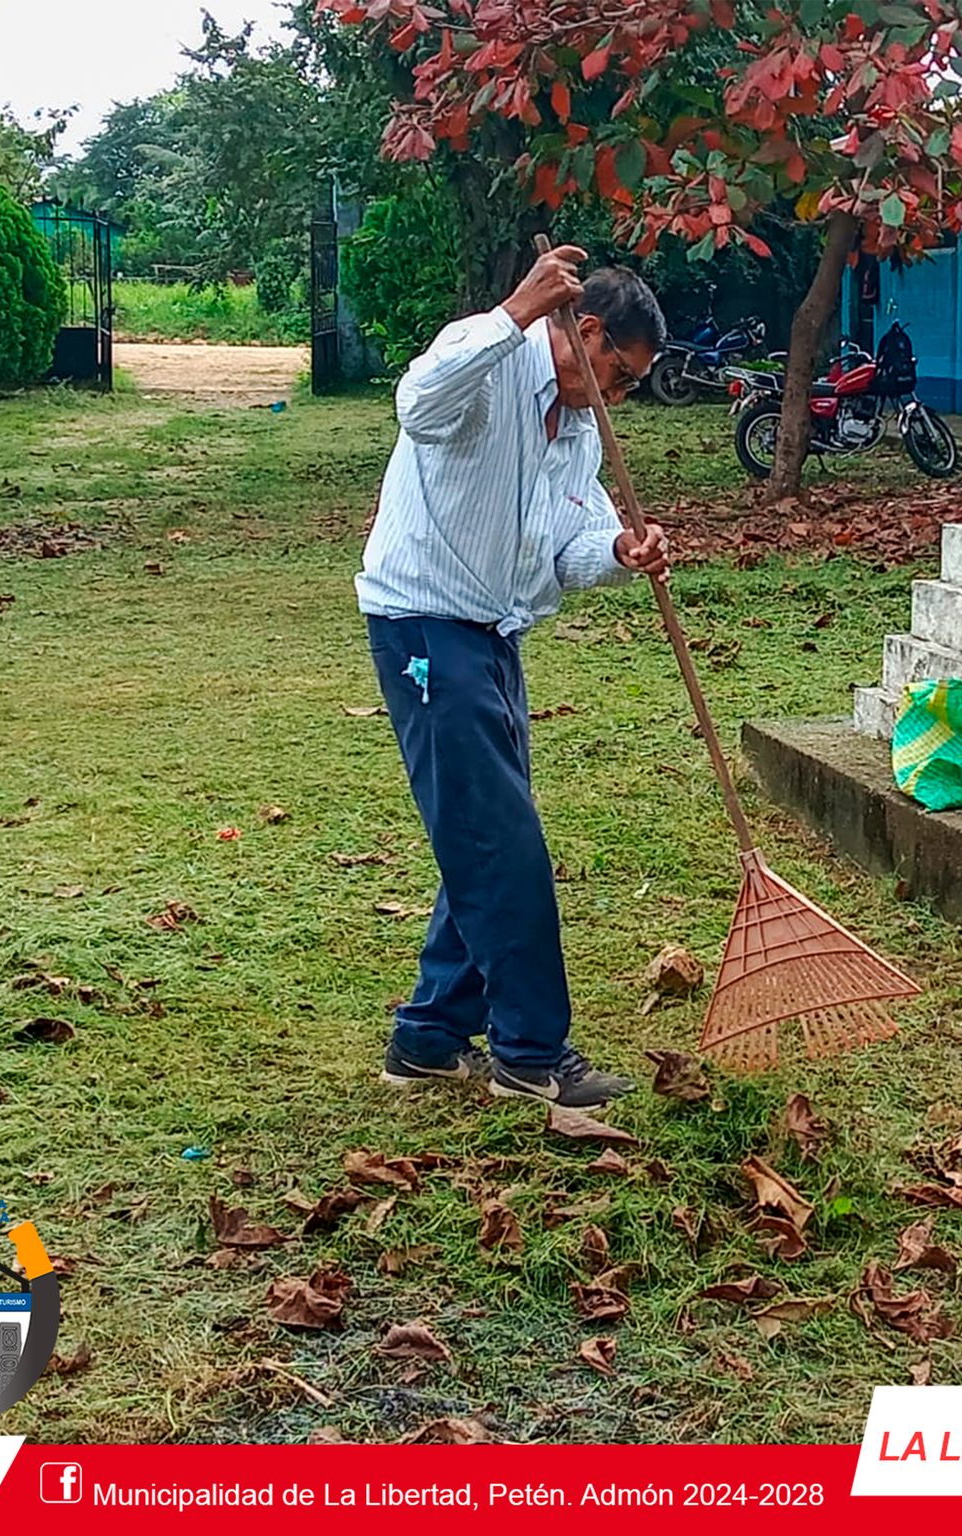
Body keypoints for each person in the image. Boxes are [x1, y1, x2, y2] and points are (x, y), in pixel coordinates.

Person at [358, 245, 670, 1109]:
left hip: (494, 634)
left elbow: (567, 549)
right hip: (424, 625)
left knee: (483, 832)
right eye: (619, 372)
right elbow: (419, 406)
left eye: (631, 385)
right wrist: (516, 311)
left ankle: (428, 1037)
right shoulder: (488, 361)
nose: (618, 395)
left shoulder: (579, 434)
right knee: (502, 843)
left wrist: (620, 550)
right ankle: (531, 1053)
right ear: (586, 330)